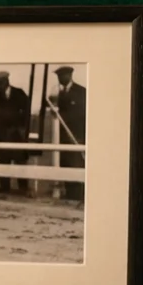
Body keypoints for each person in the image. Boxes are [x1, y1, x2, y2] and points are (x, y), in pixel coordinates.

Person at [50, 66, 87, 202]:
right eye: (58, 76)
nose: (60, 79)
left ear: (69, 75)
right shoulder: (56, 93)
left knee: (76, 164)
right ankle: (69, 195)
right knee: (65, 163)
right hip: (62, 137)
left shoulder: (81, 92)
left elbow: (82, 115)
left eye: (62, 75)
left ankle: (78, 196)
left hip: (76, 136)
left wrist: (81, 137)